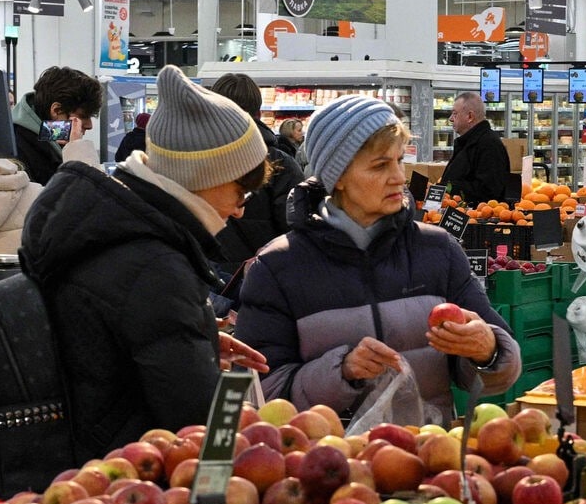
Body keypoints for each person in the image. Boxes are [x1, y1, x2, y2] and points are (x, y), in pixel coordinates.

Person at [16, 66, 268, 464]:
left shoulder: (113, 224)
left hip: (80, 465)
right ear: (201, 178)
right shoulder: (155, 265)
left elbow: (107, 344)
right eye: (242, 191)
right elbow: (202, 432)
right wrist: (259, 449)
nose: (240, 211)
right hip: (127, 477)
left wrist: (192, 340)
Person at [235, 96, 521, 421]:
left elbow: (502, 370)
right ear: (338, 176)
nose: (399, 177)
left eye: (399, 160)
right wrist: (343, 371)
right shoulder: (277, 268)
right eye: (380, 165)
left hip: (426, 459)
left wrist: (487, 351)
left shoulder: (438, 250)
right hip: (329, 461)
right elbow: (262, 392)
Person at [208, 72, 307, 273]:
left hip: (206, 285)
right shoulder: (281, 164)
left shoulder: (191, 160)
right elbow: (299, 235)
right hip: (264, 280)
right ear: (259, 113)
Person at [11, 66, 105, 185]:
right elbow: (85, 195)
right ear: (56, 110)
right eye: (83, 115)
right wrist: (77, 149)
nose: (89, 125)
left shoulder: (48, 136)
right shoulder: (17, 150)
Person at [440, 91, 513, 207]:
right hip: (461, 212)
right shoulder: (470, 141)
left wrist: (448, 187)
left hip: (477, 217)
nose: (451, 119)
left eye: (455, 114)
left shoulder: (489, 145)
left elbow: (488, 191)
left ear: (470, 116)